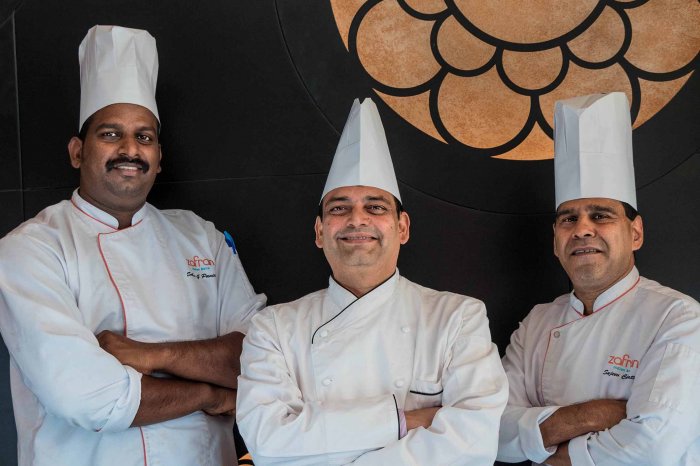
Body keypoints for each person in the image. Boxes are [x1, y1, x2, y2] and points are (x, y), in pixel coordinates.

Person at [0, 25, 266, 465]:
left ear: (159, 159)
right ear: (77, 152)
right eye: (110, 134)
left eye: (144, 136)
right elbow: (89, 396)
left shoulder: (201, 236)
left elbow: (261, 360)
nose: (130, 149)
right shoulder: (30, 249)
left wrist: (150, 355)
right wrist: (210, 394)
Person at [236, 98, 507, 465]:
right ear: (319, 231)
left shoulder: (458, 317)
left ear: (402, 228)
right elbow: (267, 442)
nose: (357, 220)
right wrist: (406, 421)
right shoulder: (273, 328)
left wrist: (314, 444)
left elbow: (474, 443)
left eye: (376, 207)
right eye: (339, 208)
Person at [497, 92, 700, 466]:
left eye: (601, 215)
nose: (582, 230)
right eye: (568, 219)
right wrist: (590, 415)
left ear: (635, 233)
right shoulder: (537, 323)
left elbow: (653, 447)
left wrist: (545, 446)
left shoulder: (678, 317)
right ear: (555, 241)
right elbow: (493, 432)